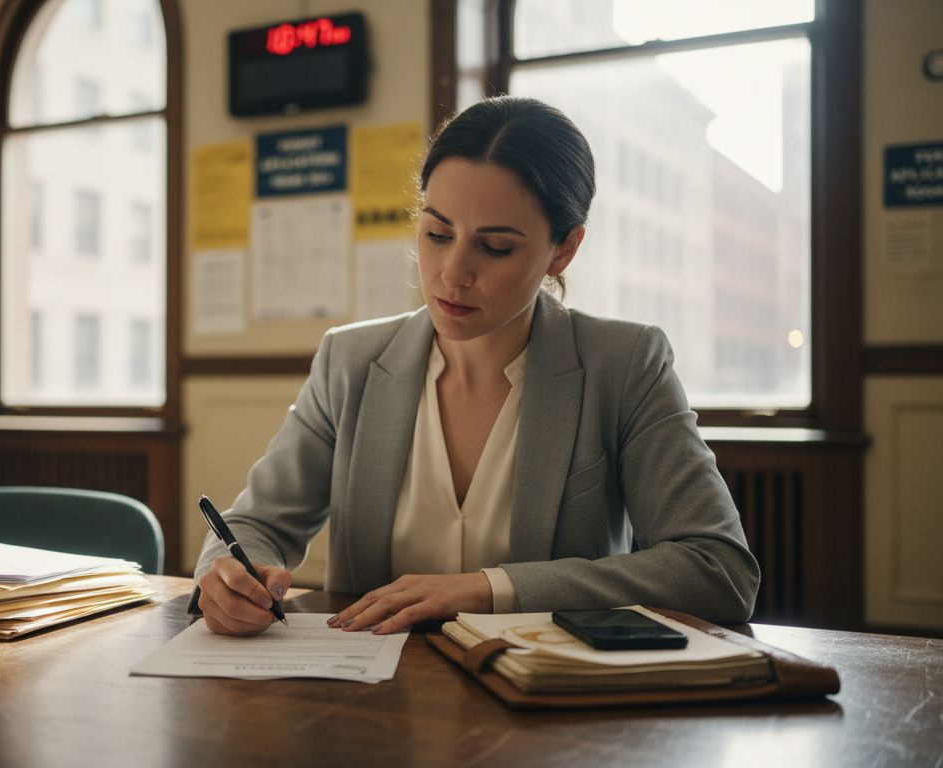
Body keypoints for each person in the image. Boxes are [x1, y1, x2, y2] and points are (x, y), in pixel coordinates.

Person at [193, 95, 760, 637]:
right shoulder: (352, 361)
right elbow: (255, 525)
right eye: (437, 234)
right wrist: (229, 577)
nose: (452, 272)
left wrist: (490, 589)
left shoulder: (624, 364)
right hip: (367, 700)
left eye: (495, 248)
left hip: (548, 705)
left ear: (564, 249)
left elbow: (717, 569)